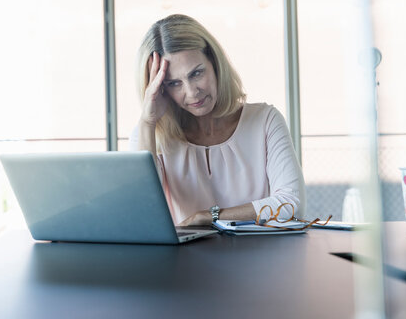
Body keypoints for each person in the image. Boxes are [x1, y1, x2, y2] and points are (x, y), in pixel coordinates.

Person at [130, 14, 305, 226]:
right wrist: (148, 121)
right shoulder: (148, 135)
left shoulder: (265, 121)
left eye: (196, 73)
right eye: (174, 83)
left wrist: (208, 216)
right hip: (185, 260)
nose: (192, 92)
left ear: (214, 63)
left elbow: (291, 203)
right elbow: (140, 215)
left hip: (261, 257)